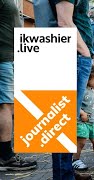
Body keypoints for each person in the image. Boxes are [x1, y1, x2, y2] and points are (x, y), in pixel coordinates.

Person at [49, 0, 94, 178]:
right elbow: (64, 21)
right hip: (75, 56)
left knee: (65, 123)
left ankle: (66, 172)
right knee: (64, 123)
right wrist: (84, 52)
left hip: (75, 56)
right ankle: (64, 175)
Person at [0, 0, 37, 171]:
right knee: (5, 107)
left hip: (9, 58)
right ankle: (6, 157)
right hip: (3, 59)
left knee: (7, 107)